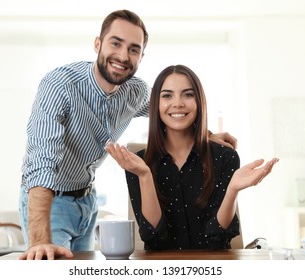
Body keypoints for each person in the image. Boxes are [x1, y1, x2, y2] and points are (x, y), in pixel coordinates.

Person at [18, 10, 237, 260]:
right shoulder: (60, 86)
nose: (123, 56)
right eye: (115, 43)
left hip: (87, 200)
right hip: (51, 200)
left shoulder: (135, 92)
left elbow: (171, 108)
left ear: (141, 57)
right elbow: (41, 164)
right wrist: (40, 241)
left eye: (133, 49)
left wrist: (206, 135)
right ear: (97, 44)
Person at [105, 65, 279, 250]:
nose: (178, 103)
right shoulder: (139, 163)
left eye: (188, 94)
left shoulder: (225, 157)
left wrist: (233, 190)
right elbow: (154, 239)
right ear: (156, 104)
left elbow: (218, 240)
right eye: (167, 95)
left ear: (199, 101)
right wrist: (145, 176)